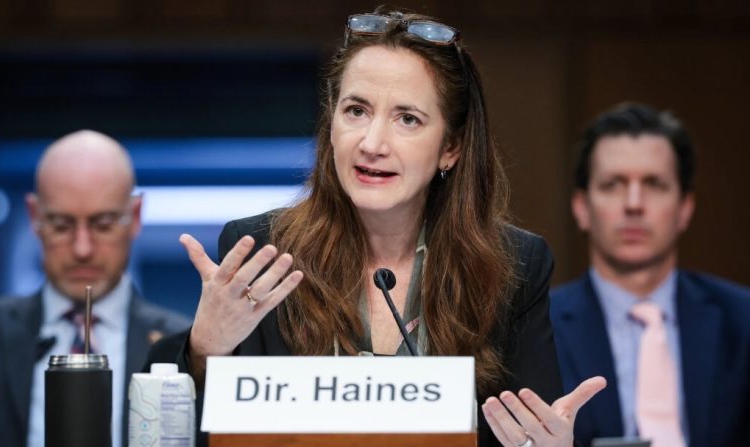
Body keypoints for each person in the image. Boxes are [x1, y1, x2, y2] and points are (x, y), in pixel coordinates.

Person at [147, 9, 605, 447]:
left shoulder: (513, 266)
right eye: (356, 111)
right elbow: (202, 432)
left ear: (451, 148)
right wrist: (206, 350)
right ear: (331, 126)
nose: (371, 143)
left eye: (407, 119)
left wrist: (549, 443)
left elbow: (535, 427)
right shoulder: (264, 251)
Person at [0, 130, 192, 447]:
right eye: (62, 224)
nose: (82, 248)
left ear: (134, 217)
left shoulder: (186, 349)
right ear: (34, 217)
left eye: (103, 223)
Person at [550, 103, 750, 447]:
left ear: (685, 209)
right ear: (581, 208)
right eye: (613, 184)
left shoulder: (743, 320)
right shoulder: (537, 326)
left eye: (654, 184)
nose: (634, 203)